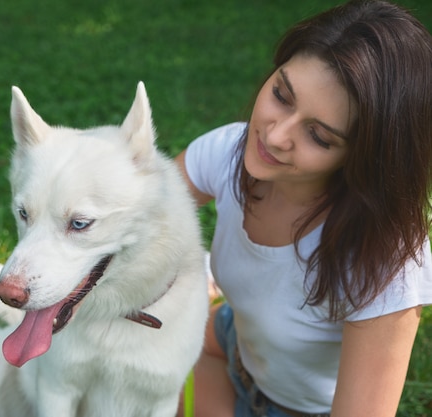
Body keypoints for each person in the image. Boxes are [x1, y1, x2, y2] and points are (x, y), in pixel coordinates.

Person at [174, 1, 432, 416]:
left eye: (319, 136)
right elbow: (135, 215)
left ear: (365, 157)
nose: (275, 136)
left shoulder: (386, 263)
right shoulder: (228, 152)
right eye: (281, 94)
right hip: (227, 349)